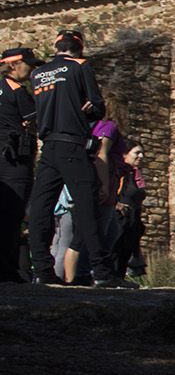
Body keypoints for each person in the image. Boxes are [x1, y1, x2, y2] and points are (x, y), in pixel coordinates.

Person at [27, 30, 127, 288]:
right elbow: (97, 106)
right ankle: (101, 271)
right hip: (73, 145)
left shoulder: (37, 74)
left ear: (56, 46)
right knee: (87, 208)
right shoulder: (81, 66)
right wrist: (89, 108)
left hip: (48, 146)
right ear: (79, 48)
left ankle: (42, 271)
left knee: (41, 208)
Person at [1, 47, 42, 283]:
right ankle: (7, 270)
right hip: (15, 161)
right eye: (29, 64)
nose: (32, 68)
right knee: (12, 215)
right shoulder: (17, 91)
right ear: (14, 64)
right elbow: (34, 120)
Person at [111, 141, 148, 280]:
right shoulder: (120, 172)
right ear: (125, 155)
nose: (141, 156)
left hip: (132, 220)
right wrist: (116, 204)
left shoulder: (135, 174)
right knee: (115, 248)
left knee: (126, 251)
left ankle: (119, 279)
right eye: (137, 152)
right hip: (120, 219)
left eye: (142, 152)